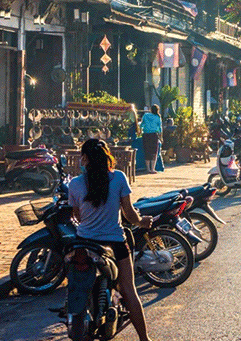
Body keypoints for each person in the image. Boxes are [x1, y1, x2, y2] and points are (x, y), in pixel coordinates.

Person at [68, 139, 154, 341]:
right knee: (129, 290)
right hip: (115, 244)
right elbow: (129, 214)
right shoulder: (118, 179)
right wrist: (142, 222)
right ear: (107, 156)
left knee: (76, 283)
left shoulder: (75, 184)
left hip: (84, 243)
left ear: (85, 159)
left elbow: (78, 216)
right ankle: (144, 339)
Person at [140, 105, 162, 174]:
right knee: (154, 152)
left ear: (151, 109)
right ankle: (152, 168)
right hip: (154, 135)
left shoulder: (146, 115)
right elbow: (160, 129)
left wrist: (140, 132)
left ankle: (148, 169)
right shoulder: (158, 117)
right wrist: (161, 137)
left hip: (146, 135)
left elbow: (141, 125)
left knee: (147, 151)